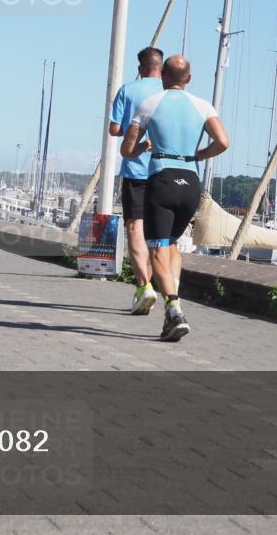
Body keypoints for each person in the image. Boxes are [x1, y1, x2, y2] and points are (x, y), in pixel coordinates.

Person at [121, 55, 229, 342]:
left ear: (162, 77)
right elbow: (223, 142)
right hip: (191, 183)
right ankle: (174, 295)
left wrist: (143, 147)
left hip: (163, 180)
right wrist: (198, 155)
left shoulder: (150, 104)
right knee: (172, 245)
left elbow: (126, 149)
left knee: (156, 248)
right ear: (189, 79)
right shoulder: (203, 105)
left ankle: (174, 309)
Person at [109, 47, 166, 316]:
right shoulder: (172, 93)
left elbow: (114, 129)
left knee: (134, 229)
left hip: (135, 170)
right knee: (157, 236)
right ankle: (158, 286)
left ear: (141, 67)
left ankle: (143, 286)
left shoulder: (128, 90)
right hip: (163, 171)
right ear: (160, 67)